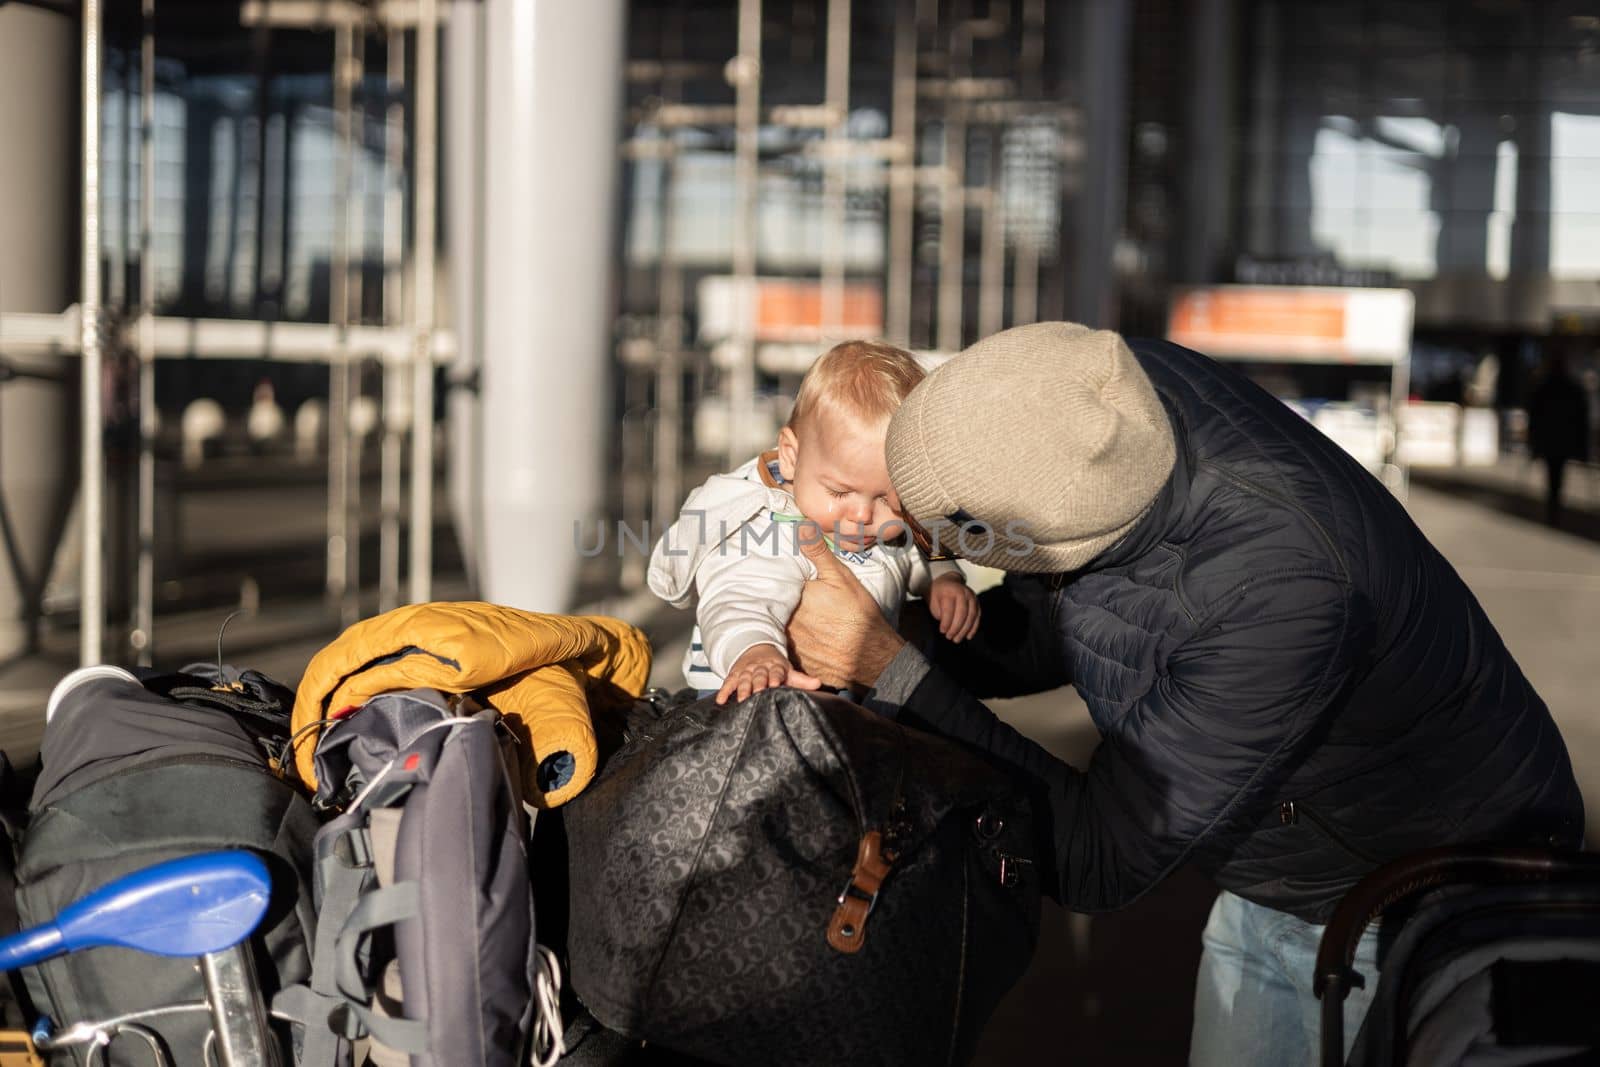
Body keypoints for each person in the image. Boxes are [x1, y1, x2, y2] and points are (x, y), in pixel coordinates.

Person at [782, 322, 1584, 1065]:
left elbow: (1100, 855)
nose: (909, 540)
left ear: (1059, 534)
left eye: (940, 533)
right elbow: (1056, 621)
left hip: (1402, 894)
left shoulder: (1288, 589)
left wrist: (890, 663)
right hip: (1270, 859)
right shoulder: (1100, 393)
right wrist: (898, 637)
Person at [647, 340, 979, 704]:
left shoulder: (880, 525)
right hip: (750, 698)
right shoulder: (766, 527)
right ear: (791, 457)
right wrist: (755, 653)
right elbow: (737, 601)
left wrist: (942, 577)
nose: (863, 515)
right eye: (840, 492)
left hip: (844, 705)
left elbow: (909, 549)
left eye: (889, 500)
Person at [1527, 351, 1591, 527]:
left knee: (1553, 475)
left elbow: (1535, 417)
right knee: (1556, 475)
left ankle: (1553, 507)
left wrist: (1533, 442)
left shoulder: (1543, 387)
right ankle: (1554, 506)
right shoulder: (1570, 388)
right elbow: (1581, 419)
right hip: (1562, 441)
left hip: (1551, 441)